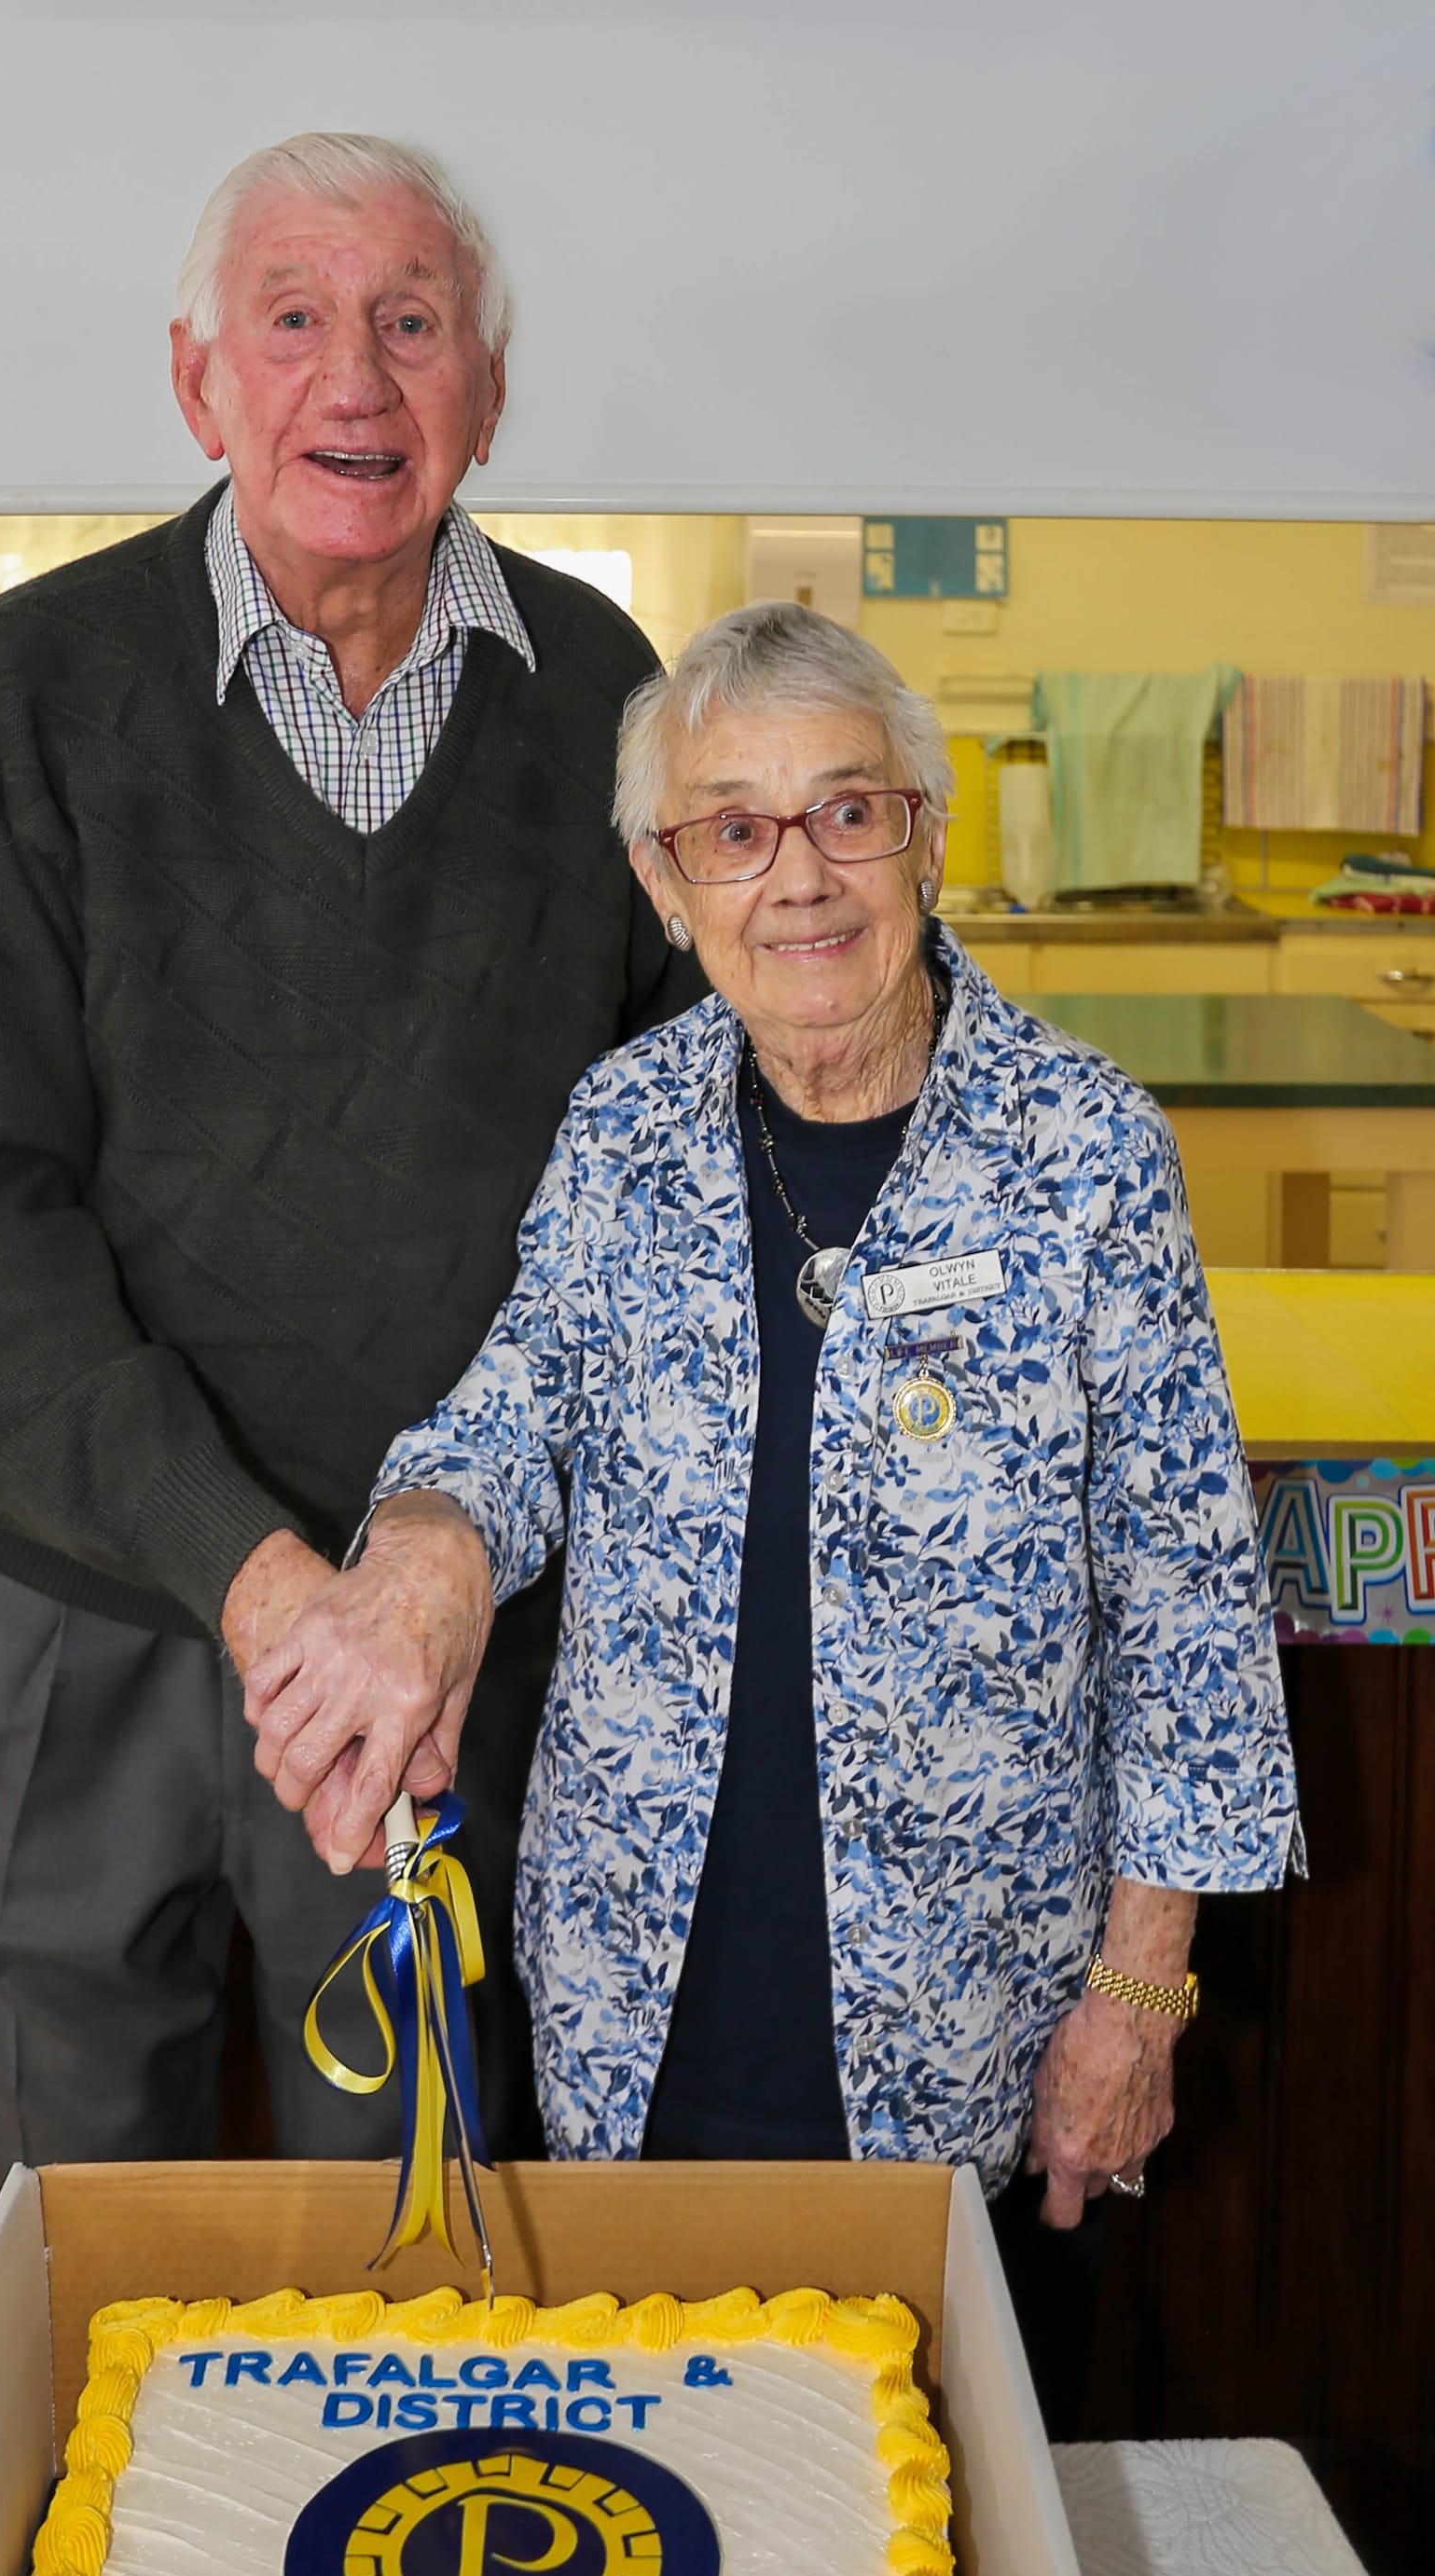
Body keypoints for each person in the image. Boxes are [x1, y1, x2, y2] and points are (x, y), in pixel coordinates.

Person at [244, 603, 1303, 2424]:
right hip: (638, 2007)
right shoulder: (625, 1131)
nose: (795, 878)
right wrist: (426, 1534)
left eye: (846, 813)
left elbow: (1188, 1608)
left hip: (967, 2016)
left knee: (936, 2568)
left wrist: (1140, 2003)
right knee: (650, 2515)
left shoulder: (1083, 1150)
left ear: (927, 837)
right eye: (732, 828)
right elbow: (516, 1415)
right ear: (669, 882)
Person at [0, 132, 696, 2281]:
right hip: (74, 1627)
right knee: (62, 2269)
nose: (357, 374)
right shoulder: (11, 705)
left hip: (450, 1649)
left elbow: (655, 1208)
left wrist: (416, 1579)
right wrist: (268, 1600)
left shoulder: (618, 711)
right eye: (297, 318)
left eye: (413, 323)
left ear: (487, 393)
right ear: (196, 379)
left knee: (413, 2284)